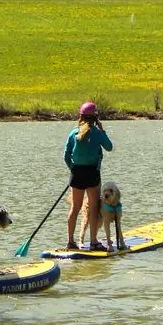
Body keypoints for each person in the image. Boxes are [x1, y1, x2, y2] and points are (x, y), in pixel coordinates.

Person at [64, 101, 113, 251]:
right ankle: (93, 242)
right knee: (93, 207)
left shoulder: (73, 133)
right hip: (92, 174)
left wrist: (74, 169)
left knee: (75, 208)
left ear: (80, 117)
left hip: (77, 174)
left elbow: (66, 156)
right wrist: (102, 130)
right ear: (95, 118)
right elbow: (109, 147)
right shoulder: (97, 133)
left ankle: (70, 242)